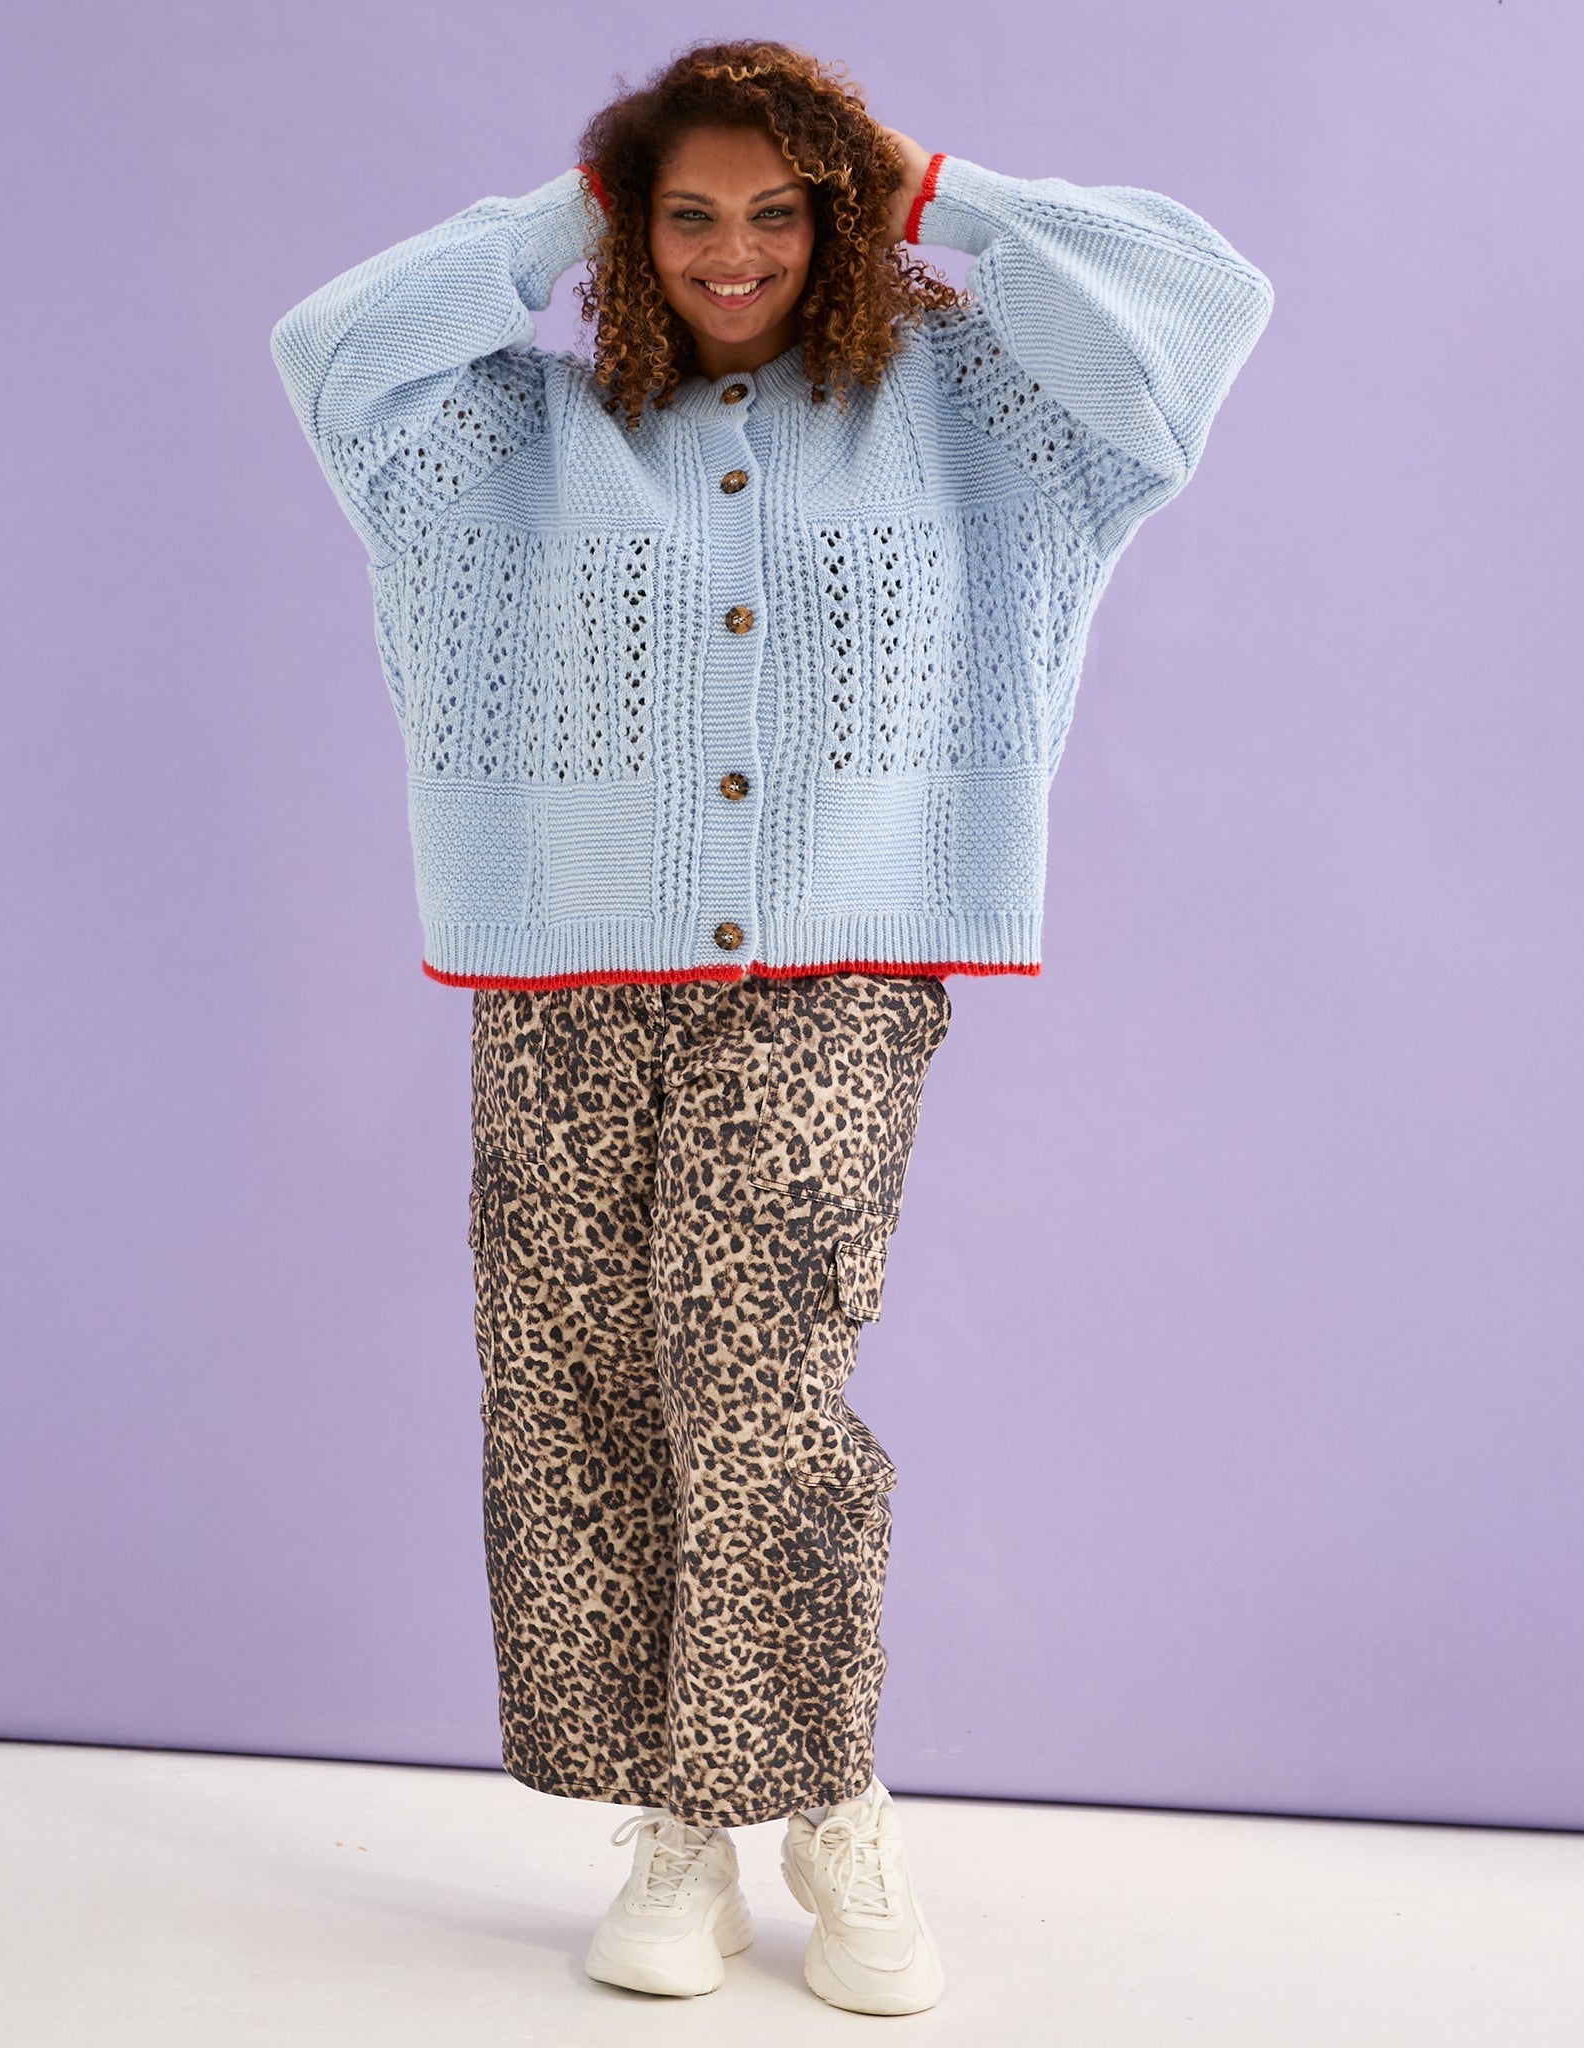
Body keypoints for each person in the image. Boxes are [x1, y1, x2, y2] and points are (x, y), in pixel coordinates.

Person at [270, 37, 1270, 2018]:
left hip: (835, 966)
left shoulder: (970, 407)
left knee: (753, 1374)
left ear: (840, 218)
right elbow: (330, 355)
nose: (733, 251)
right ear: (632, 233)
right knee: (573, 1389)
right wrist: (569, 202)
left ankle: (828, 1802)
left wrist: (935, 185)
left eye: (778, 210)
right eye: (686, 214)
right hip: (563, 975)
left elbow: (1198, 312)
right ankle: (682, 1818)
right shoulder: (522, 428)